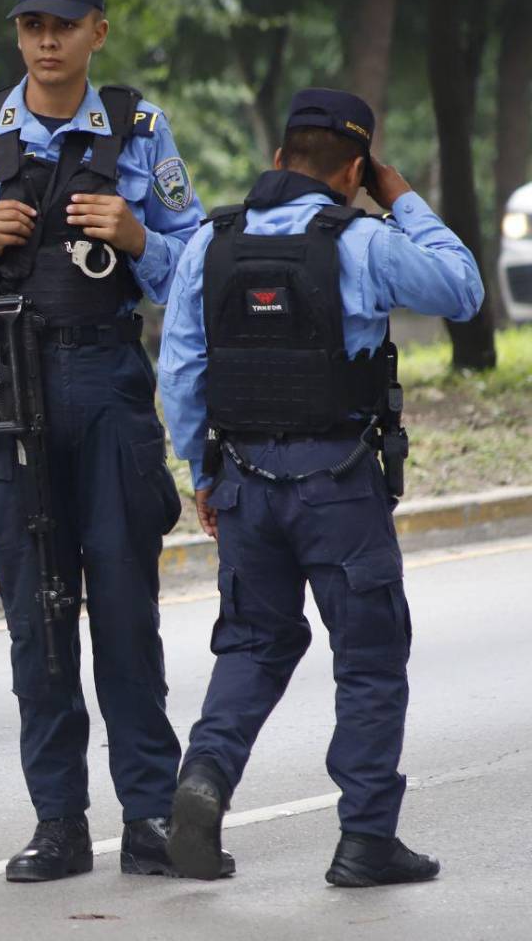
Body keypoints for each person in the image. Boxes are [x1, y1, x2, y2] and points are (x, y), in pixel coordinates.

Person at [0, 0, 228, 883]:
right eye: (31, 26)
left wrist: (136, 238)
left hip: (106, 380)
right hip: (9, 393)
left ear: (97, 31)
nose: (46, 41)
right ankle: (58, 824)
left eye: (64, 24)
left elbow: (197, 259)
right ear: (17, 34)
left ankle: (152, 818)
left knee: (125, 613)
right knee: (36, 624)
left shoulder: (139, 127)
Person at [157, 87, 483, 885]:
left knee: (252, 643)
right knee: (369, 657)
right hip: (337, 485)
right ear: (354, 172)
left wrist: (205, 473)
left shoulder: (210, 242)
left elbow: (181, 372)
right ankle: (366, 839)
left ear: (278, 160)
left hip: (243, 480)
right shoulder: (363, 239)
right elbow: (463, 290)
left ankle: (202, 779)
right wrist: (400, 196)